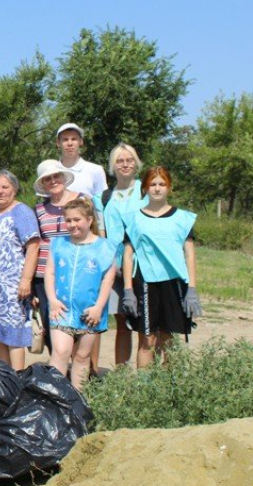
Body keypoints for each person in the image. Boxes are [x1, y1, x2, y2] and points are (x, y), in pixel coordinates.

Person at [122, 167, 200, 368]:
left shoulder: (182, 218)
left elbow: (189, 253)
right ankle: (145, 391)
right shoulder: (134, 219)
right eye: (152, 184)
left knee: (169, 337)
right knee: (147, 339)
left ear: (169, 187)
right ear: (145, 188)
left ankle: (169, 389)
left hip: (174, 282)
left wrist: (192, 288)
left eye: (162, 184)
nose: (157, 188)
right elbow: (128, 255)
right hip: (146, 282)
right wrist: (128, 289)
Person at [45, 198, 118, 391]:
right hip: (61, 309)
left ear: (89, 219)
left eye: (77, 220)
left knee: (82, 356)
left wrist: (98, 307)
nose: (72, 224)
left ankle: (79, 401)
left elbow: (107, 280)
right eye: (68, 220)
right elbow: (50, 273)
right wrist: (52, 300)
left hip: (90, 311)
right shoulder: (58, 244)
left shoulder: (106, 247)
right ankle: (54, 399)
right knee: (60, 352)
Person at [0, 170, 41, 370]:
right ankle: (7, 379)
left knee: (14, 335)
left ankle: (18, 379)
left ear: (14, 189)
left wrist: (26, 280)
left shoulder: (21, 212)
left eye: (5, 187)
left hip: (12, 286)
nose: (0, 191)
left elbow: (33, 246)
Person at [94, 143, 147, 366]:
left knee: (146, 324)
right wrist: (108, 263)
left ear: (136, 163)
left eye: (129, 160)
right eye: (120, 160)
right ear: (112, 166)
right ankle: (122, 378)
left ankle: (146, 382)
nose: (125, 164)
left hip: (144, 265)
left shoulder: (147, 190)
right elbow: (102, 233)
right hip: (115, 267)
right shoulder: (103, 197)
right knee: (122, 322)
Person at [32, 159, 80, 352]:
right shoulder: (38, 210)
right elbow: (34, 245)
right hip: (44, 275)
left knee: (79, 325)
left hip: (75, 272)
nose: (53, 181)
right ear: (42, 184)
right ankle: (58, 374)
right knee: (50, 322)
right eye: (47, 178)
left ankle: (83, 376)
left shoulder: (81, 200)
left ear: (63, 177)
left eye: (56, 176)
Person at [56, 123, 107, 197]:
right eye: (65, 139)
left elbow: (102, 203)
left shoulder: (96, 170)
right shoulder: (51, 173)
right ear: (58, 143)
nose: (70, 143)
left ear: (81, 141)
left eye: (74, 139)